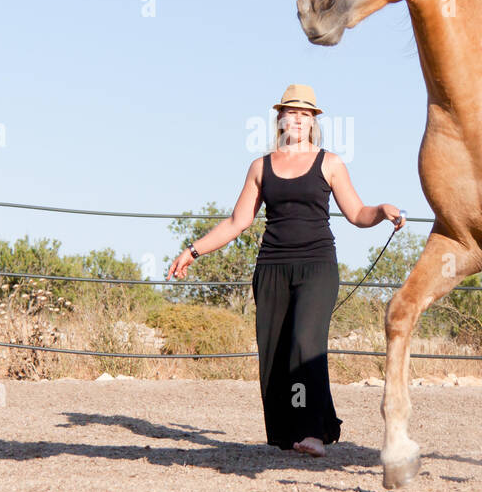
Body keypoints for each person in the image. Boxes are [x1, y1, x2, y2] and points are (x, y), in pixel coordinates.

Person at [167, 84, 404, 457]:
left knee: (305, 343)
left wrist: (382, 211)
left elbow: (358, 214)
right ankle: (288, 431)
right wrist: (193, 251)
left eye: (304, 113)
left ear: (314, 121)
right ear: (280, 119)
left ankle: (315, 432)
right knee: (275, 350)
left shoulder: (330, 163)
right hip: (272, 267)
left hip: (317, 266)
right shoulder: (260, 166)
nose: (296, 118)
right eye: (289, 112)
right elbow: (237, 221)